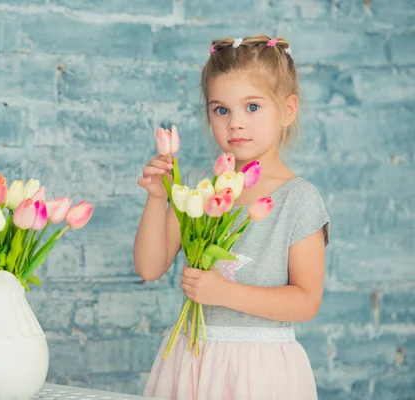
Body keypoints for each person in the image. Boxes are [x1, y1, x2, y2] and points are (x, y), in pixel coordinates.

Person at [134, 34, 330, 400]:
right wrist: (157, 198)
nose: (235, 123)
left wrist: (225, 293)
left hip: (262, 370)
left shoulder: (298, 199)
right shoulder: (194, 186)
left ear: (288, 110)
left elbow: (306, 301)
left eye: (252, 107)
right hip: (192, 360)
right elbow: (149, 267)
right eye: (221, 110)